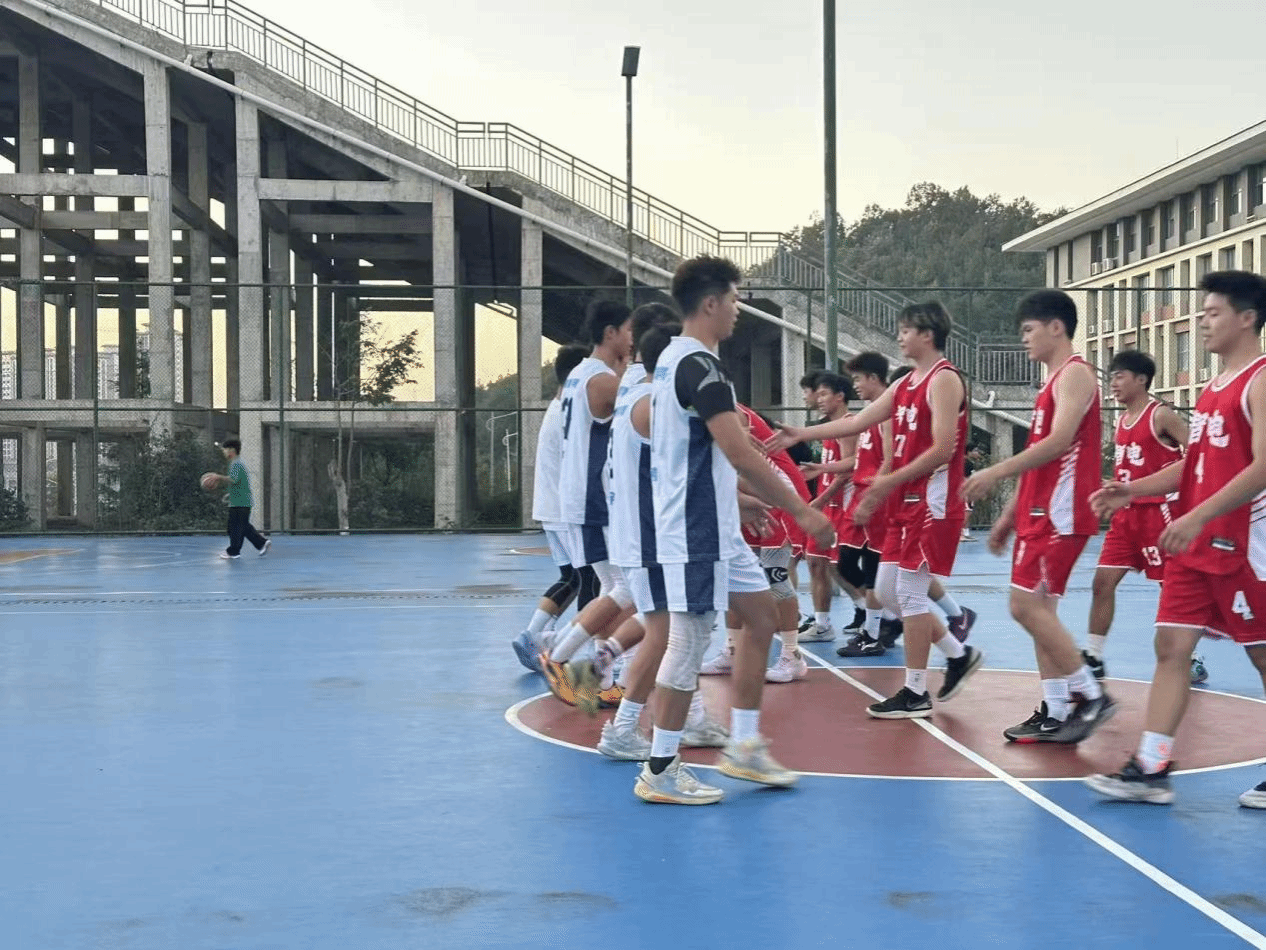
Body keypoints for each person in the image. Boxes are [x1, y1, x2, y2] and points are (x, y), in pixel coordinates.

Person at [634, 255, 835, 805]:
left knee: (762, 617)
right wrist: (803, 511)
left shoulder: (676, 361)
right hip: (694, 529)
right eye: (735, 299)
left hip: (715, 523)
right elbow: (740, 451)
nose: (738, 310)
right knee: (689, 642)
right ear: (711, 303)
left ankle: (743, 745)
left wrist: (737, 501)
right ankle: (659, 768)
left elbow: (699, 453)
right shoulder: (700, 366)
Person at [1085, 271, 1266, 806]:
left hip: (1244, 541)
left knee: (1262, 655)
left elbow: (1262, 467)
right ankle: (1152, 765)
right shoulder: (1212, 389)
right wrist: (1132, 489)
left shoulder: (1259, 381)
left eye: (1212, 313)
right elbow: (1195, 465)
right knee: (1171, 647)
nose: (1202, 322)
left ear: (1247, 318)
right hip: (1195, 541)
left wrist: (1197, 516)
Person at [769, 303, 984, 719]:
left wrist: (886, 481)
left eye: (906, 330)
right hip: (905, 501)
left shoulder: (944, 379)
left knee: (909, 595)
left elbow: (944, 447)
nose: (899, 336)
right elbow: (856, 422)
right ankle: (958, 655)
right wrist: (801, 432)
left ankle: (916, 691)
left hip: (932, 502)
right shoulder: (904, 384)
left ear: (927, 334)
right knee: (885, 592)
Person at [963, 289, 1115, 744]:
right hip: (1039, 512)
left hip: (1061, 513)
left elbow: (1059, 442)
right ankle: (1055, 709)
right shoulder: (1050, 384)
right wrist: (1009, 516)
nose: (1024, 338)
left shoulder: (1076, 374)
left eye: (1029, 330)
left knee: (1025, 606)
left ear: (1056, 327)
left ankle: (1090, 695)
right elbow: (1039, 457)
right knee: (1038, 612)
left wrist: (993, 471)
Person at [538, 300, 635, 705]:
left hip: (581, 496)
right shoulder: (603, 381)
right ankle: (559, 657)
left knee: (611, 588)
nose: (633, 339)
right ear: (611, 333)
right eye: (629, 331)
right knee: (628, 589)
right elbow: (647, 408)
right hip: (597, 498)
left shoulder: (579, 374)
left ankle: (602, 673)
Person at [1082, 350, 1194, 681]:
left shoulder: (1161, 415)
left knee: (1170, 588)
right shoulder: (1121, 421)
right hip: (1126, 516)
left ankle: (1189, 657)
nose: (1113, 383)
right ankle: (1093, 655)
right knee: (1102, 582)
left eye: (1120, 376)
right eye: (1111, 377)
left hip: (1160, 512)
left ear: (1141, 379)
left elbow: (1199, 451)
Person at [512, 344, 590, 672]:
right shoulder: (571, 414)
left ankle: (532, 634)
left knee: (572, 578)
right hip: (565, 510)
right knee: (591, 581)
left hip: (550, 507)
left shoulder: (556, 408)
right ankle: (561, 647)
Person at [208, 439, 270, 560]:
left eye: (225, 449)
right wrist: (230, 494)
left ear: (231, 450)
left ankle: (234, 551)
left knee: (235, 527)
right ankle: (262, 543)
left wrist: (218, 477)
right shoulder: (236, 463)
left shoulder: (236, 463)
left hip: (240, 502)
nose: (223, 452)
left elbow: (234, 479)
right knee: (243, 526)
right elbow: (239, 483)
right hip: (240, 501)